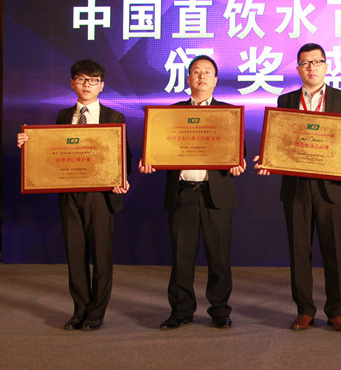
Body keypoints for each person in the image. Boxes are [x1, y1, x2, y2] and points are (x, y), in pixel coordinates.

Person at [255, 43, 341, 332]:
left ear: (326, 66)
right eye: (305, 63)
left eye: (317, 62)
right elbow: (280, 141)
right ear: (298, 69)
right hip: (297, 187)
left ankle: (336, 312)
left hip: (332, 187)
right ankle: (304, 310)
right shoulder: (286, 100)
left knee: (335, 251)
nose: (311, 67)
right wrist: (269, 159)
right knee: (299, 250)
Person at [17, 59, 131, 330]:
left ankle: (96, 312)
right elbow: (53, 152)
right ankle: (79, 310)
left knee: (101, 256)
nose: (87, 84)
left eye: (93, 80)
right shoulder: (63, 116)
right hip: (69, 194)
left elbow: (123, 155)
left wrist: (122, 178)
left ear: (101, 85)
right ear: (72, 83)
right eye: (81, 79)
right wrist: (29, 145)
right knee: (75, 255)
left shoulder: (114, 117)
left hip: (100, 196)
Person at [139, 55, 246, 330]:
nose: (202, 76)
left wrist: (238, 162)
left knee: (219, 257)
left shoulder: (229, 114)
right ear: (188, 78)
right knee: (181, 257)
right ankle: (181, 311)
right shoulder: (171, 114)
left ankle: (220, 310)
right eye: (196, 72)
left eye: (207, 72)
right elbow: (159, 148)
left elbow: (238, 152)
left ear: (215, 80)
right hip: (183, 193)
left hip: (216, 195)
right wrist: (150, 159)